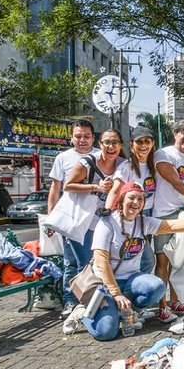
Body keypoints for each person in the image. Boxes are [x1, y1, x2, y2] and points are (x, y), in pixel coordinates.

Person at [68, 183, 184, 341]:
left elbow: (172, 225)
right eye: (131, 198)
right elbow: (101, 262)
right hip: (105, 284)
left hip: (130, 280)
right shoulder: (107, 223)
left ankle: (126, 311)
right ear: (122, 200)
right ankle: (83, 312)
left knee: (157, 287)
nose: (136, 203)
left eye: (140, 199)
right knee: (106, 333)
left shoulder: (142, 222)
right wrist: (116, 294)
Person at [63, 129, 126, 314]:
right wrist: (95, 187)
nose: (111, 146)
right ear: (100, 145)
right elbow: (67, 185)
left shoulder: (123, 164)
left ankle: (100, 303)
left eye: (115, 142)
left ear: (121, 146)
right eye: (106, 142)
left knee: (105, 264)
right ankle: (81, 304)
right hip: (85, 222)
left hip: (109, 221)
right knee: (84, 265)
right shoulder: (87, 162)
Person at [152, 118, 184, 322]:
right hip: (164, 214)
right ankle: (161, 305)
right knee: (163, 260)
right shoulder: (164, 154)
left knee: (180, 259)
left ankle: (176, 301)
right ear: (176, 134)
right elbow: (176, 181)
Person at [47, 119, 99, 316]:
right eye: (78, 136)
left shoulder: (100, 156)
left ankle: (91, 300)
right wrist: (50, 217)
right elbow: (55, 189)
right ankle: (70, 301)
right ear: (71, 138)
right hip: (71, 218)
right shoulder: (63, 158)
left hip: (96, 219)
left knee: (92, 261)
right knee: (71, 262)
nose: (82, 140)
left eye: (86, 136)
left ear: (93, 138)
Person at [106, 126, 158, 274]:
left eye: (147, 141)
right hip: (131, 217)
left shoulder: (152, 165)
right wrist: (107, 212)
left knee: (140, 259)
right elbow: (115, 191)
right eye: (139, 142)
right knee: (147, 260)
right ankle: (135, 290)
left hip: (147, 215)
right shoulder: (126, 167)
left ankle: (137, 289)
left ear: (152, 143)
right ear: (132, 145)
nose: (143, 145)